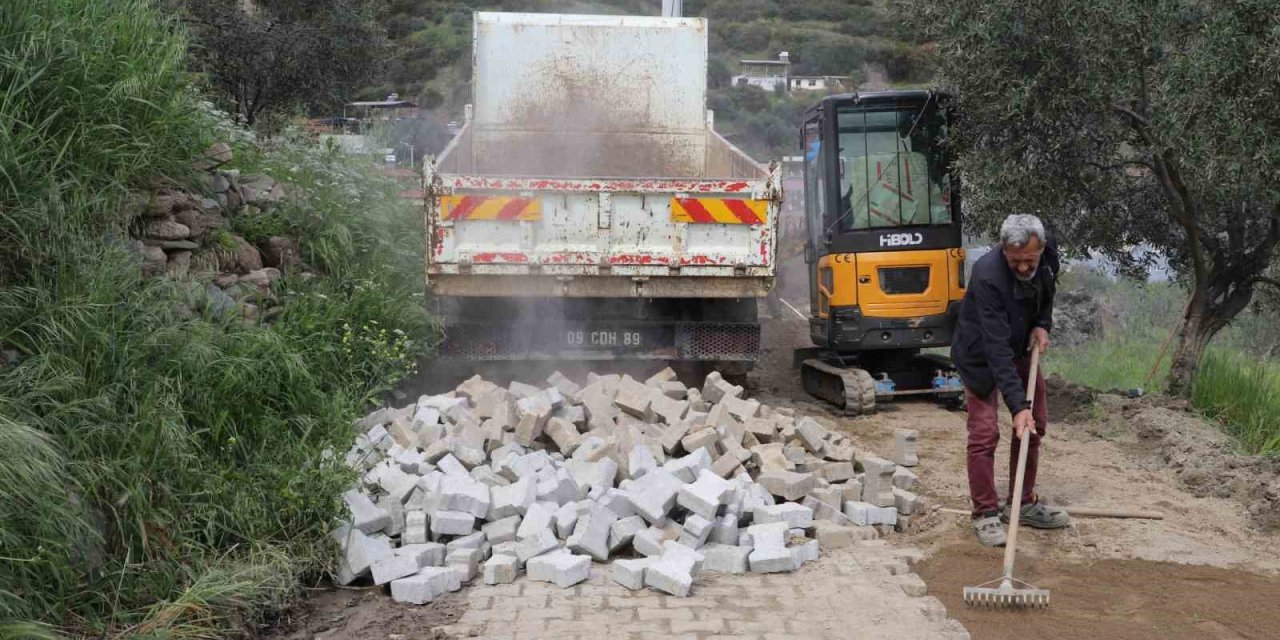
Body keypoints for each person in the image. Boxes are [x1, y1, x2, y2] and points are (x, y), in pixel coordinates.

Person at [950, 214, 1069, 547]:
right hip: (981, 354)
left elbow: (1047, 293)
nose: (1021, 267)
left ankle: (1023, 502)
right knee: (985, 433)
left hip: (1019, 344)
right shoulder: (988, 274)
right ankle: (986, 514)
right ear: (1003, 250)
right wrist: (1018, 406)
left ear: (1041, 248)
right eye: (1014, 260)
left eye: (1028, 260)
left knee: (1035, 425)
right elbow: (995, 349)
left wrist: (1043, 323)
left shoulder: (1048, 256)